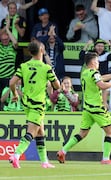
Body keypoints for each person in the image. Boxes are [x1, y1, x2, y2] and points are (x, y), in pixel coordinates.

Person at [56, 52, 111, 164]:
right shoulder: (94, 72)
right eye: (97, 61)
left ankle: (63, 151)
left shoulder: (85, 73)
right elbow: (102, 85)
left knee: (82, 133)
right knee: (110, 131)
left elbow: (101, 78)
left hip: (87, 108)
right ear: (93, 62)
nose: (98, 63)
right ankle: (106, 159)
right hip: (96, 107)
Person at [8, 40, 60, 168]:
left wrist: (15, 94)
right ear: (41, 50)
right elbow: (57, 86)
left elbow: (11, 83)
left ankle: (44, 161)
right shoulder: (46, 68)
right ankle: (16, 155)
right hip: (38, 104)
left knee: (41, 132)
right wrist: (51, 77)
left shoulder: (23, 66)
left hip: (26, 102)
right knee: (32, 132)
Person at [0, 22, 18, 110]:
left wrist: (7, 29)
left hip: (9, 78)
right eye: (3, 39)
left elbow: (15, 42)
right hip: (0, 77)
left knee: (7, 98)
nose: (5, 41)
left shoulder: (12, 47)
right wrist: (5, 27)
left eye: (6, 39)